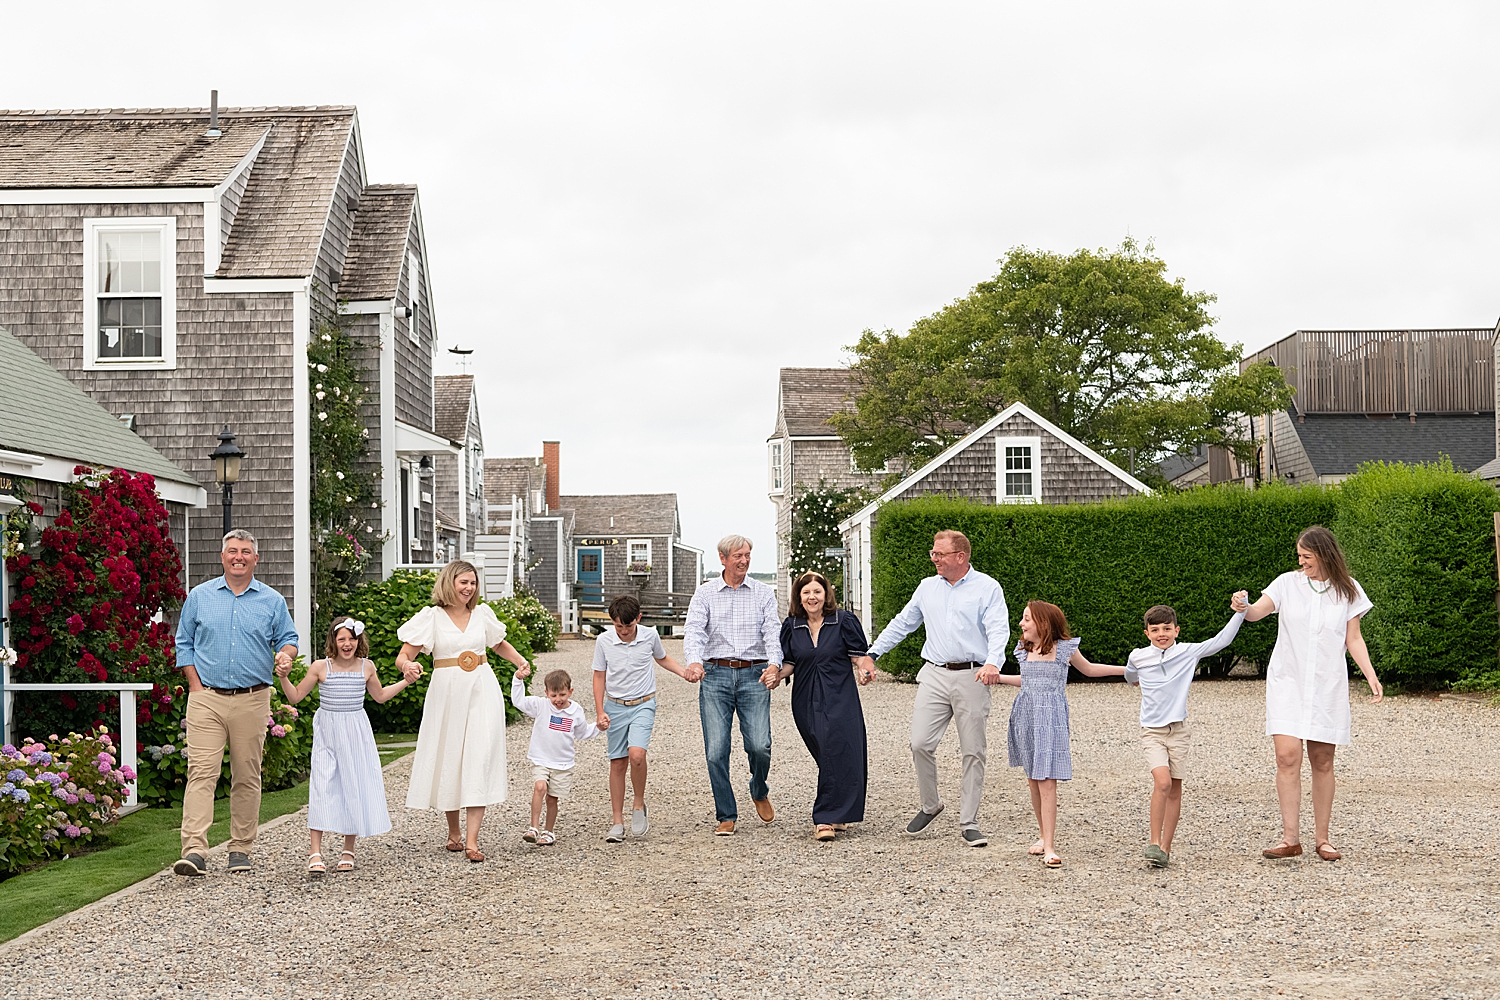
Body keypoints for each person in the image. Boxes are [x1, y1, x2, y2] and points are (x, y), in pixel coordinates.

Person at [1234, 525, 1383, 862]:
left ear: (1325, 555)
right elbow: (1259, 611)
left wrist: (1370, 675)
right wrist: (1243, 607)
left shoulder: (1349, 591)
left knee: (1323, 760)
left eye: (1307, 556)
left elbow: (1353, 639)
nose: (1301, 562)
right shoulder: (1287, 583)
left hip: (1326, 685)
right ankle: (1290, 839)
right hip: (1287, 681)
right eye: (1299, 556)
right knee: (1287, 757)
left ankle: (1322, 839)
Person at [867, 530, 1009, 848]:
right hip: (933, 674)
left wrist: (993, 663)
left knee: (973, 750)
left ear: (961, 557)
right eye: (933, 553)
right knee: (920, 743)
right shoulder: (927, 587)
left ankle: (969, 822)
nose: (934, 559)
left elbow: (999, 628)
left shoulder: (987, 588)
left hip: (973, 676)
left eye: (940, 554)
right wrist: (873, 653)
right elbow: (904, 622)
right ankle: (931, 805)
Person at [173, 529, 299, 877]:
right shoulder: (200, 597)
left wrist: (285, 657)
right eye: (232, 551)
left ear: (255, 559)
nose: (238, 556)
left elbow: (289, 639)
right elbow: (183, 644)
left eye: (245, 551)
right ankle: (195, 850)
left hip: (252, 698)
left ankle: (240, 848)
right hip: (207, 699)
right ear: (223, 556)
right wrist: (195, 687)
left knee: (246, 774)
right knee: (201, 773)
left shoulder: (271, 600)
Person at [395, 560, 530, 863]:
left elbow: (498, 644)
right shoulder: (431, 617)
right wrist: (408, 666)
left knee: (478, 756)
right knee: (451, 756)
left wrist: (520, 661)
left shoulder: (482, 615)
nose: (469, 588)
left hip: (482, 689)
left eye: (473, 583)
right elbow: (403, 655)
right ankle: (453, 832)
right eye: (463, 582)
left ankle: (472, 841)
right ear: (449, 583)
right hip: (447, 692)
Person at [275, 616, 413, 875]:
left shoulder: (366, 667)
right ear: (333, 641)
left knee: (352, 784)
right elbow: (294, 696)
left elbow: (380, 696)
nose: (347, 644)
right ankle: (315, 851)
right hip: (328, 732)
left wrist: (406, 681)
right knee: (321, 786)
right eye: (342, 639)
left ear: (358, 640)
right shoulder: (320, 667)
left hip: (355, 732)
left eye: (352, 638)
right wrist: (283, 677)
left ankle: (348, 849)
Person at [998, 600, 1124, 868]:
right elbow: (1027, 679)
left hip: (1051, 718)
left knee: (1047, 780)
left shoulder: (1065, 649)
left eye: (1027, 619)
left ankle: (1051, 847)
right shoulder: (1024, 649)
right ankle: (1043, 837)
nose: (1021, 624)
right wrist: (998, 677)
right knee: (1033, 778)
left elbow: (1089, 669)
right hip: (1026, 715)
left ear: (1043, 623)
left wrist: (1127, 671)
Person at [1123, 599, 1247, 869]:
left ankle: (1165, 849)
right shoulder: (1138, 655)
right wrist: (1136, 680)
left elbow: (1221, 641)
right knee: (1163, 782)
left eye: (1167, 629)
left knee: (1175, 788)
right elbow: (1130, 675)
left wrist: (1240, 612)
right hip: (1152, 731)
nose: (1161, 635)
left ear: (1177, 630)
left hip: (1179, 730)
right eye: (1155, 630)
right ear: (1147, 633)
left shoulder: (1188, 652)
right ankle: (1153, 842)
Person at [761, 571, 876, 842]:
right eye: (806, 593)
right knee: (825, 751)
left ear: (826, 595)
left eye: (817, 592)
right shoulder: (792, 625)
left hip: (840, 695)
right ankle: (839, 811)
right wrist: (775, 676)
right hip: (805, 697)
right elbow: (790, 662)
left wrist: (866, 670)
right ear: (798, 598)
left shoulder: (844, 620)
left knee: (840, 749)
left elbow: (860, 656)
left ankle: (824, 817)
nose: (812, 597)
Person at [683, 534, 782, 836]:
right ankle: (726, 813)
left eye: (747, 554)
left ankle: (758, 787)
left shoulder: (763, 593)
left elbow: (772, 632)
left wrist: (775, 665)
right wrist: (694, 660)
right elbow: (694, 630)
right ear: (723, 559)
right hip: (716, 675)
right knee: (716, 750)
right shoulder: (706, 594)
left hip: (754, 673)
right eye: (738, 555)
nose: (744, 560)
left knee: (759, 745)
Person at [593, 594, 699, 843]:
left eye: (628, 626)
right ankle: (617, 822)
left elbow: (662, 658)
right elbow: (599, 676)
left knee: (637, 755)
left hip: (643, 703)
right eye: (618, 626)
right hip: (615, 706)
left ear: (638, 620)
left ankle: (638, 804)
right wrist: (600, 711)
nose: (623, 631)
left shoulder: (650, 635)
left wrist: (684, 672)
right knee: (617, 763)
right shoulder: (604, 641)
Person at [511, 665, 601, 846]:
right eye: (553, 695)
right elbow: (519, 701)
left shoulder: (575, 711)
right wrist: (518, 679)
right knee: (539, 787)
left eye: (562, 695)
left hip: (563, 763)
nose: (558, 700)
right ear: (546, 693)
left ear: (570, 691)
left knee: (552, 799)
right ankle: (533, 827)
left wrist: (599, 726)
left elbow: (583, 733)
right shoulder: (541, 705)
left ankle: (548, 831)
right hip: (541, 758)